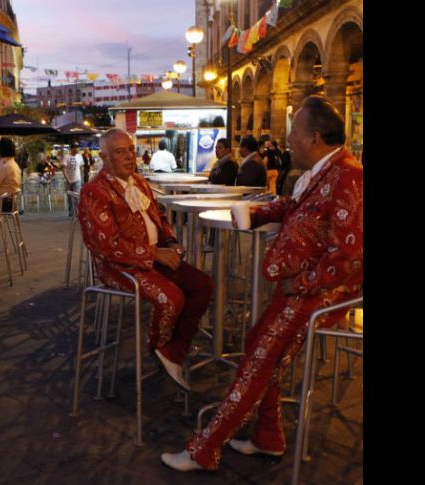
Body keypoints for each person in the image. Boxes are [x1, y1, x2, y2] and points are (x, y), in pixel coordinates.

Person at [161, 95, 363, 472]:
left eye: (294, 132)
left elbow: (349, 255)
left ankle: (205, 449)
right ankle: (267, 437)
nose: (287, 140)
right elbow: (293, 208)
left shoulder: (349, 176)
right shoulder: (325, 172)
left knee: (257, 361)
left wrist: (303, 282)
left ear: (314, 137)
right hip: (298, 289)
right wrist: (254, 214)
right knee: (257, 345)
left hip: (314, 295)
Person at [78, 128, 213, 392]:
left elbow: (159, 217)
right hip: (118, 266)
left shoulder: (139, 182)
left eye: (131, 150)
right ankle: (160, 349)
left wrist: (171, 242)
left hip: (155, 256)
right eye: (120, 152)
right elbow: (106, 246)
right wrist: (154, 254)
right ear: (104, 157)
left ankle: (174, 350)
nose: (129, 157)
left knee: (202, 285)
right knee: (171, 297)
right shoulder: (94, 192)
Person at [60, 142, 84, 217]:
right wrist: (67, 179)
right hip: (68, 179)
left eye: (78, 147)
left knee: (76, 196)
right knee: (69, 197)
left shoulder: (79, 156)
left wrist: (81, 177)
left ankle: (77, 212)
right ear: (72, 148)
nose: (77, 149)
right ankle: (71, 212)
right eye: (75, 147)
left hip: (77, 179)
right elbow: (63, 169)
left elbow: (81, 167)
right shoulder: (66, 157)